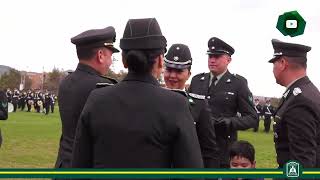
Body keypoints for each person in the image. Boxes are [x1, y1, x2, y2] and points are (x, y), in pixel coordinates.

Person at [72, 18, 203, 169]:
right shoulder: (176, 104)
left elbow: (79, 167)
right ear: (161, 60)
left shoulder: (97, 99)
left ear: (123, 60)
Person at [55, 26, 119, 168]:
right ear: (100, 55)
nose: (110, 62)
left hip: (63, 165)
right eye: (110, 56)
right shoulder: (103, 87)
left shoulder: (66, 82)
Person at [188, 37, 258, 168]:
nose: (212, 60)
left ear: (228, 60)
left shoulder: (238, 83)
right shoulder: (197, 80)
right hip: (196, 148)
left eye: (217, 56)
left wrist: (228, 122)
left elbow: (252, 118)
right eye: (210, 56)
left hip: (222, 150)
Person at [164, 43, 220, 168]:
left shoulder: (199, 106)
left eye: (179, 71)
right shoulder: (152, 100)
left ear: (189, 74)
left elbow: (209, 151)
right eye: (169, 69)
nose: (172, 76)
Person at [270, 39, 320, 168]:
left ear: (282, 63)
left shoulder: (300, 101)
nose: (273, 69)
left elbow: (303, 161)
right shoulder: (307, 92)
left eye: (274, 63)